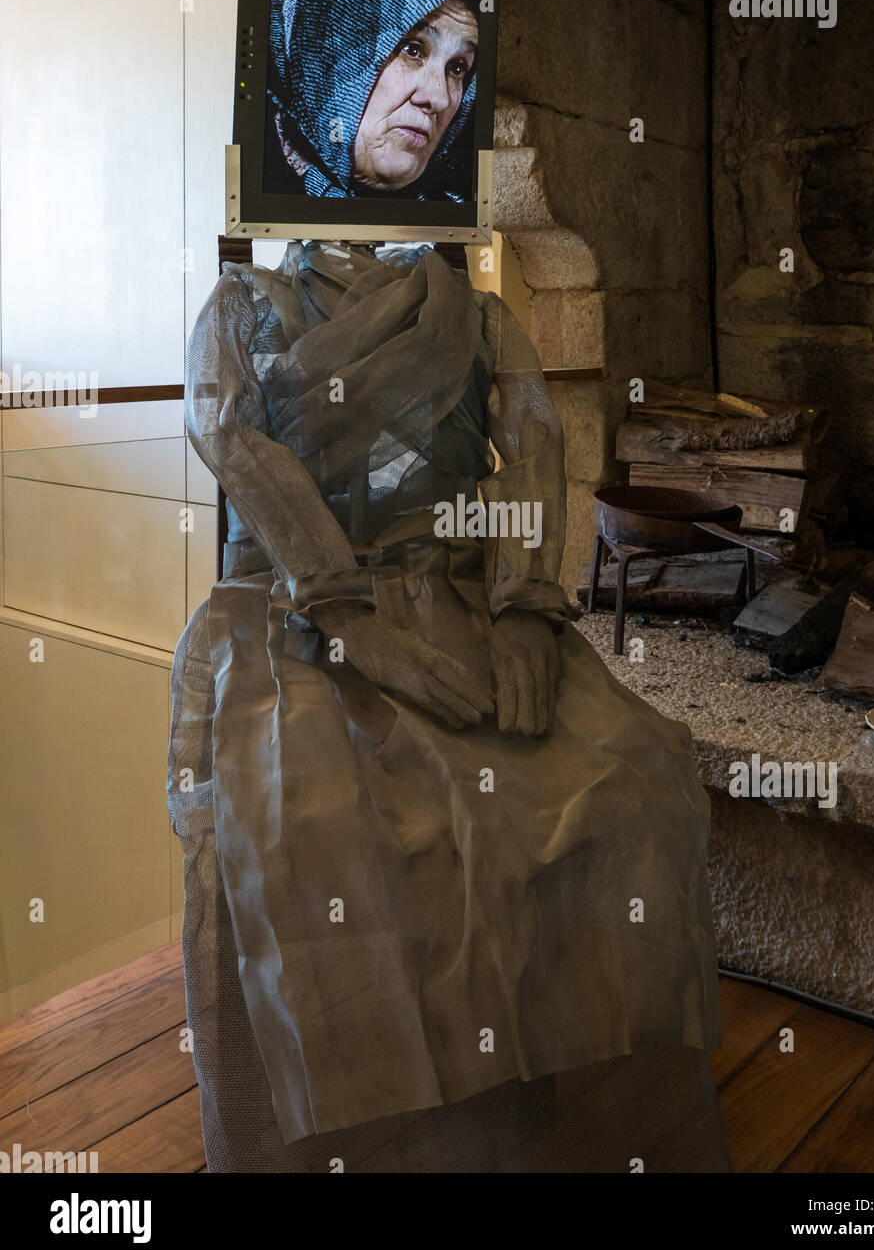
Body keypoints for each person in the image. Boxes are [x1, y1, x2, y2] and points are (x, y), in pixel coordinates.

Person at [168, 241, 730, 1172]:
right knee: (304, 822)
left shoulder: (473, 312)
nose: (429, 98)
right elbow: (227, 433)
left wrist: (522, 604)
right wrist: (346, 612)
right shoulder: (242, 307)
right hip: (296, 610)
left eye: (453, 80)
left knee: (641, 780)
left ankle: (527, 1093)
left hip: (465, 593)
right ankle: (347, 1131)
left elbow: (537, 437)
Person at [267, 0, 479, 201]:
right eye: (412, 50)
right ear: (327, 48)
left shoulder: (453, 219)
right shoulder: (255, 192)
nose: (440, 99)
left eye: (457, 68)